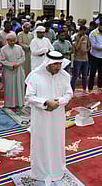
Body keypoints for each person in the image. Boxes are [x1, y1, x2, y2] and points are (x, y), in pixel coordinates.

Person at [25, 51, 73, 185]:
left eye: (60, 64)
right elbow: (29, 96)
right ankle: (40, 172)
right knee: (41, 142)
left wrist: (60, 101)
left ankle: (57, 170)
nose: (58, 67)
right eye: (55, 64)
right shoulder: (35, 76)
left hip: (57, 116)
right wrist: (45, 102)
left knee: (57, 141)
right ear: (48, 63)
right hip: (41, 117)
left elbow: (69, 93)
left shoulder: (64, 76)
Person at [0, 32, 25, 108]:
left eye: (14, 40)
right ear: (7, 40)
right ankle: (9, 104)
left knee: (19, 86)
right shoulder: (4, 49)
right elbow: (2, 60)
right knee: (9, 87)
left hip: (19, 69)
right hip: (8, 71)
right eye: (10, 41)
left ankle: (19, 103)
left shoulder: (19, 48)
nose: (12, 42)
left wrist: (17, 64)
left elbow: (23, 57)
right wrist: (11, 65)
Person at [88, 20, 102, 92]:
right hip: (95, 55)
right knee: (93, 72)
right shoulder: (93, 33)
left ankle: (99, 86)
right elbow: (93, 44)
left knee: (101, 72)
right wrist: (101, 47)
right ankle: (90, 87)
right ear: (99, 25)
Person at [70, 26, 91, 92]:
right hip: (77, 59)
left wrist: (86, 50)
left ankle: (84, 89)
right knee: (75, 75)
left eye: (85, 31)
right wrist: (81, 39)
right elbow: (76, 48)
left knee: (85, 75)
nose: (84, 33)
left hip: (85, 59)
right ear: (79, 30)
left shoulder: (87, 37)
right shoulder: (75, 37)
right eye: (83, 31)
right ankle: (72, 89)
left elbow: (89, 46)